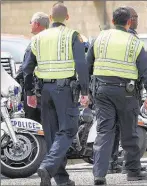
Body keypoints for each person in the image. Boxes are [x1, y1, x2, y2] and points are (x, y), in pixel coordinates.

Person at [22, 2, 89, 186]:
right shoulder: (73, 35)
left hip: (45, 91)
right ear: (67, 18)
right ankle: (49, 166)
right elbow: (81, 64)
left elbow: (27, 68)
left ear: (50, 18)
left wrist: (29, 93)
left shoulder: (37, 38)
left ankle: (60, 179)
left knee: (52, 135)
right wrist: (85, 90)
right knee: (68, 130)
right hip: (65, 90)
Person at [86, 7, 147, 185]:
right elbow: (146, 70)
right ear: (129, 22)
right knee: (129, 132)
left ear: (113, 21)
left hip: (102, 91)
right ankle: (133, 171)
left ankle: (99, 174)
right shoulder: (134, 42)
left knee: (104, 131)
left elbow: (87, 64)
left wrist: (85, 90)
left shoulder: (100, 37)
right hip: (126, 93)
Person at [108, 6, 147, 174]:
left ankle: (115, 162)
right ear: (128, 20)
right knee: (126, 129)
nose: (136, 20)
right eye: (134, 16)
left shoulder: (128, 35)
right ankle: (127, 164)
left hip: (119, 87)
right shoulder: (128, 37)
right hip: (126, 89)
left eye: (137, 16)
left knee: (117, 128)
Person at [15, 12, 50, 122]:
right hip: (51, 88)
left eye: (31, 23)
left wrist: (28, 91)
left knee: (33, 124)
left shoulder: (36, 41)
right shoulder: (52, 40)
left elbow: (26, 68)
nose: (30, 25)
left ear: (36, 24)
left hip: (35, 89)